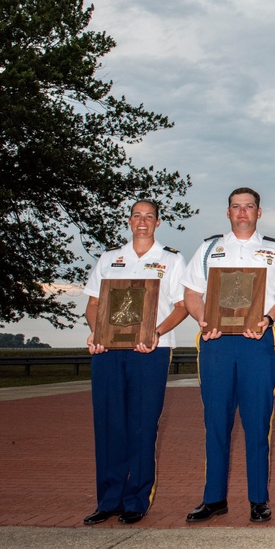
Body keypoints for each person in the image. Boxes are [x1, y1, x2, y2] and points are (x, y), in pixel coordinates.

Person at [181, 187, 275, 524]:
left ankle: (258, 499)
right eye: (236, 207)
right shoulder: (209, 249)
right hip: (216, 343)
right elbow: (191, 292)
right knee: (215, 422)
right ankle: (214, 498)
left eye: (249, 207)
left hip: (256, 342)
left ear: (259, 213)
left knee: (257, 423)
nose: (243, 212)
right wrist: (203, 319)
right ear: (228, 212)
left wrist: (268, 319)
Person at [82, 199, 188, 526]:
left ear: (158, 223)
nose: (142, 222)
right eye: (137, 216)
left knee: (143, 424)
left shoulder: (171, 260)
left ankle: (136, 499)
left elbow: (182, 306)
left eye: (149, 217)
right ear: (129, 221)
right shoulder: (109, 258)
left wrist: (156, 332)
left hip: (151, 350)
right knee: (109, 424)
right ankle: (108, 499)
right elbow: (93, 304)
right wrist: (97, 332)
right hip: (108, 353)